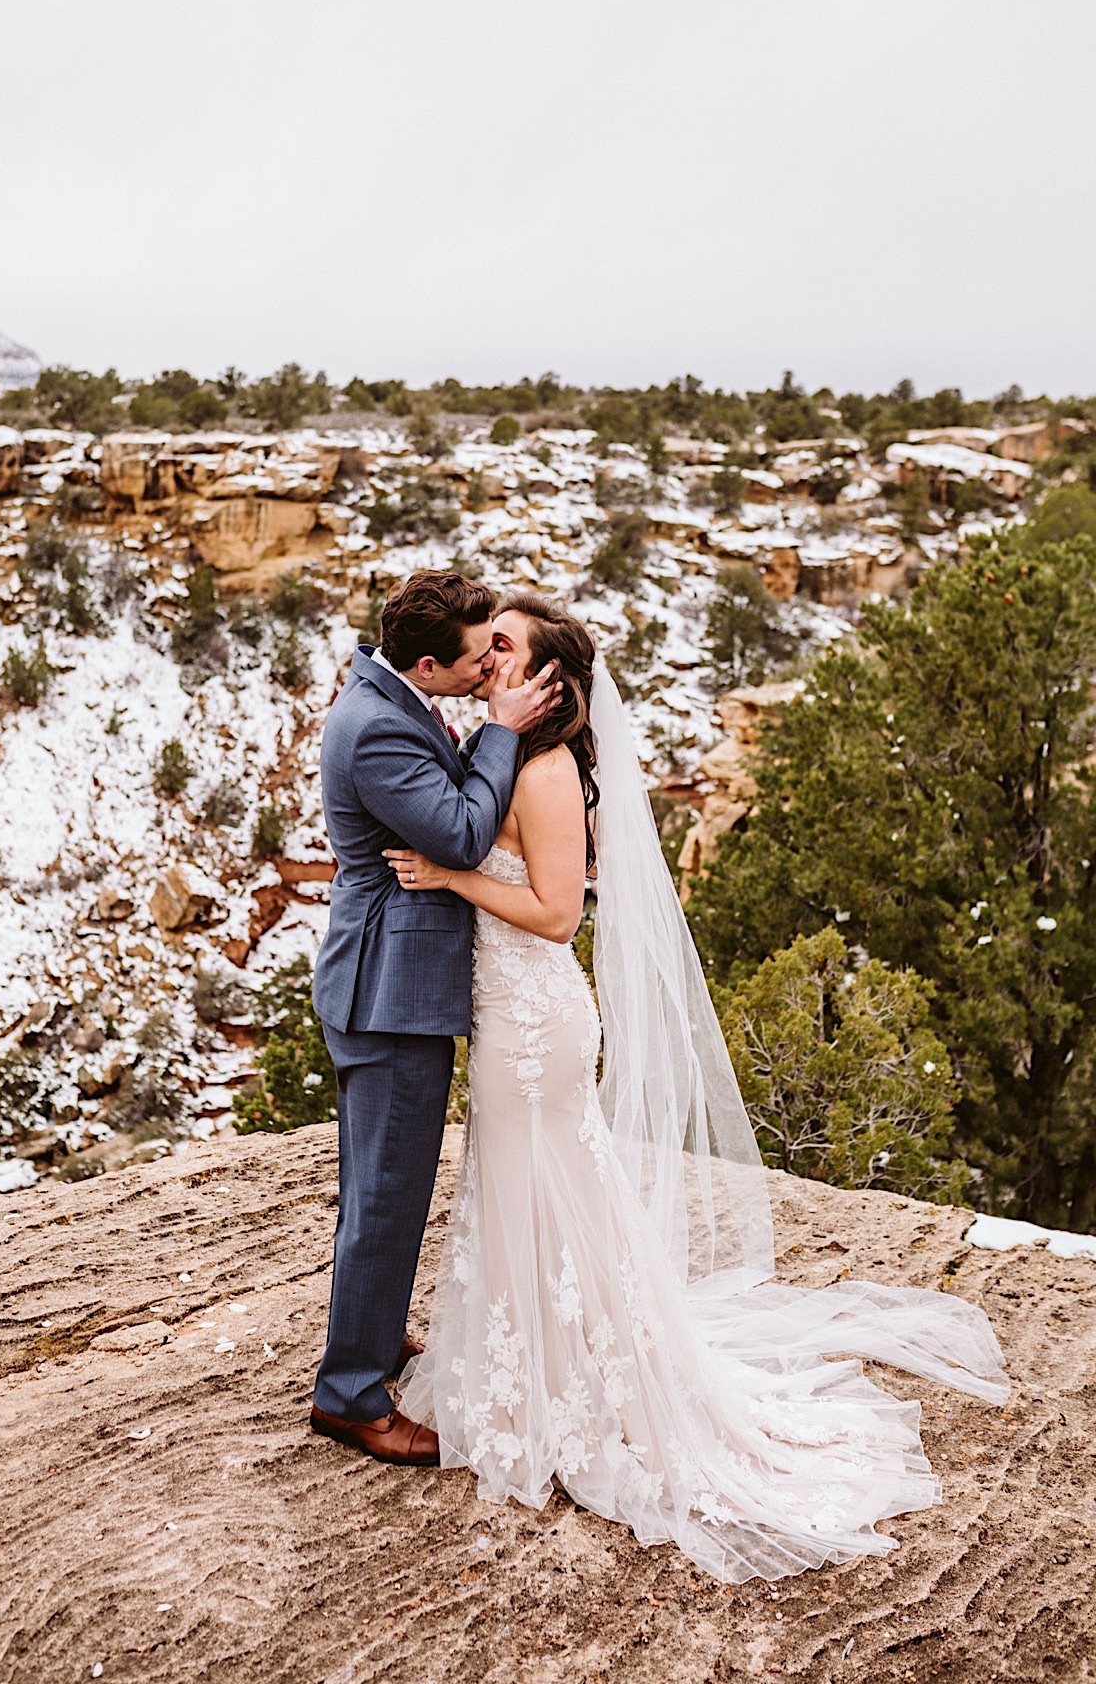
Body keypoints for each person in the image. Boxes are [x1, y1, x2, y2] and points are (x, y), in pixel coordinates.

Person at [385, 590, 1009, 1582]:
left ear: (548, 680)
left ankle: (569, 1393)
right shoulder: (511, 753)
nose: (481, 652)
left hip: (536, 1016)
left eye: (502, 644)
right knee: (531, 1192)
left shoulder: (542, 773)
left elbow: (553, 915)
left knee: (540, 1186)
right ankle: (539, 1370)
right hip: (510, 1010)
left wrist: (447, 877)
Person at [310, 570, 560, 1466]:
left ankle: (368, 1347)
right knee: (385, 1197)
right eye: (475, 657)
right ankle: (349, 1397)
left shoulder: (392, 694)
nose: (488, 664)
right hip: (389, 995)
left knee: (384, 1188)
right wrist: (500, 732)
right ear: (425, 661)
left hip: (391, 984)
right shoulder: (377, 726)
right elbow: (455, 836)